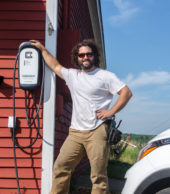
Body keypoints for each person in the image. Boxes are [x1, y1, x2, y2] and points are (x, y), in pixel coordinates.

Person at [30, 39, 132, 194]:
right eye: (81, 55)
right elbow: (56, 66)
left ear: (94, 56)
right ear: (77, 58)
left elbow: (126, 92)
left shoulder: (105, 76)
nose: (85, 57)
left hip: (97, 130)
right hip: (75, 133)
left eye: (89, 54)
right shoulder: (73, 75)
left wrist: (111, 111)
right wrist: (42, 49)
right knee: (60, 168)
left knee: (98, 176)